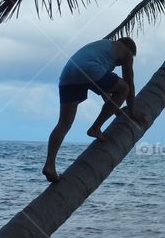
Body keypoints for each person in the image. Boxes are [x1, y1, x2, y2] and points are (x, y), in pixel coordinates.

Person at [42, 37, 142, 183]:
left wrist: (115, 109)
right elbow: (129, 83)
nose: (124, 61)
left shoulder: (101, 50)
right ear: (129, 49)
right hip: (89, 69)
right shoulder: (125, 51)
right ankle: (95, 128)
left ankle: (49, 165)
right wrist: (132, 112)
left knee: (64, 124)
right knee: (124, 88)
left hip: (68, 74)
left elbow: (104, 91)